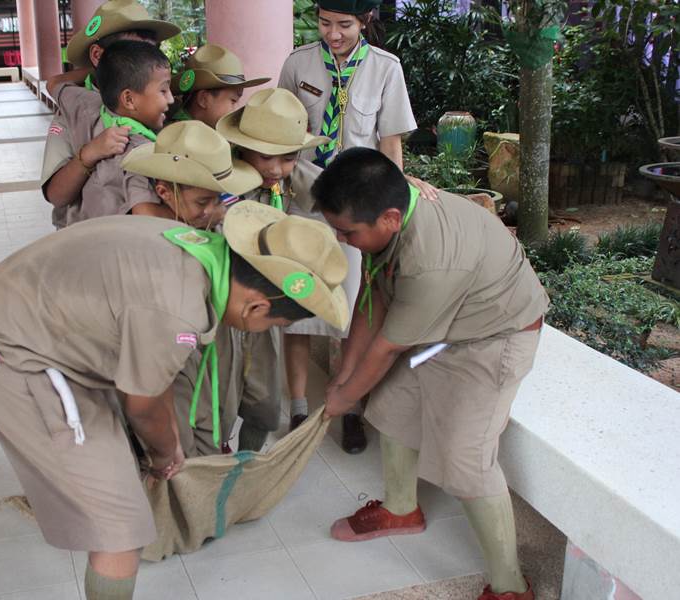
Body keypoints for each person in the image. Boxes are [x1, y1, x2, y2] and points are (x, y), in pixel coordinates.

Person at [0, 201, 349, 600]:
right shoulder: (179, 310)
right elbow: (143, 407)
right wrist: (166, 454)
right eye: (274, 324)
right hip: (16, 357)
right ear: (256, 306)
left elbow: (149, 376)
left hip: (31, 328)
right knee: (120, 531)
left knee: (120, 483)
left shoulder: (193, 245)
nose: (265, 330)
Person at [314, 148, 549, 600]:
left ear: (389, 218)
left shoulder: (431, 261)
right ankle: (401, 509)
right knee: (390, 407)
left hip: (494, 337)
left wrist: (344, 398)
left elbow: (388, 345)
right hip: (443, 330)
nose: (341, 239)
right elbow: (371, 297)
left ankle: (510, 586)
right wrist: (345, 376)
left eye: (347, 232)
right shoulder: (392, 208)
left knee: (467, 459)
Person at [278, 0, 436, 452]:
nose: (333, 34)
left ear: (364, 21)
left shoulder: (385, 68)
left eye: (344, 25)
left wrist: (396, 198)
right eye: (325, 23)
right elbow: (283, 133)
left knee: (349, 312)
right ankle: (298, 408)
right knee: (298, 309)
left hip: (357, 208)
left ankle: (348, 408)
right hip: (306, 201)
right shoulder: (298, 64)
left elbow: (390, 144)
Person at [216, 87, 361, 440]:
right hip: (222, 309)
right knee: (219, 401)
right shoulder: (219, 180)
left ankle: (248, 460)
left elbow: (346, 199)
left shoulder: (297, 179)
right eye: (266, 157)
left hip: (266, 312)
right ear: (242, 146)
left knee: (264, 405)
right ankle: (216, 458)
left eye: (288, 157)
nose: (276, 169)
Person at [40, 0, 179, 228]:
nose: (147, 59)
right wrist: (89, 154)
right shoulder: (76, 110)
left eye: (153, 50)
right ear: (97, 55)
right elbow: (56, 195)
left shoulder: (158, 93)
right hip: (87, 235)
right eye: (133, 52)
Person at [74, 40, 177, 223]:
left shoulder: (95, 110)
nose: (171, 99)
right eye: (163, 90)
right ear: (129, 99)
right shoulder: (138, 148)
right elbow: (144, 214)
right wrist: (197, 213)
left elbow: (57, 87)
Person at [168, 44, 270, 128]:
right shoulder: (182, 140)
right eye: (233, 101)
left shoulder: (202, 132)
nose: (235, 109)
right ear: (204, 99)